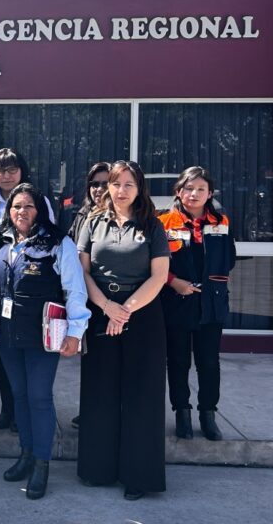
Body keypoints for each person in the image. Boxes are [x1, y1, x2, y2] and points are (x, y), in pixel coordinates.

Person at [0, 184, 89, 499]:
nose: (21, 212)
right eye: (16, 206)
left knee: (39, 397)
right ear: (8, 211)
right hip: (6, 333)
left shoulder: (58, 243)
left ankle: (41, 463)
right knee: (20, 396)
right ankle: (25, 454)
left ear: (40, 211)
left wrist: (76, 331)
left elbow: (74, 289)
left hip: (42, 335)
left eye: (28, 206)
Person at [76, 160, 169, 501]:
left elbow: (159, 276)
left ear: (139, 188)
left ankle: (137, 475)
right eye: (116, 184)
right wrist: (107, 307)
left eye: (129, 184)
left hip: (142, 314)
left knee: (141, 396)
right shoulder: (92, 221)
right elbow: (82, 272)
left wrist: (125, 311)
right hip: (101, 311)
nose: (121, 190)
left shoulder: (152, 225)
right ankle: (97, 469)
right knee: (100, 393)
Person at [158, 167, 236, 441]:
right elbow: (154, 264)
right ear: (179, 191)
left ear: (210, 193)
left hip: (211, 303)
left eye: (201, 189)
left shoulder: (221, 222)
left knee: (209, 362)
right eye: (189, 188)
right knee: (178, 361)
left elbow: (228, 258)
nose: (194, 194)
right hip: (177, 300)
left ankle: (208, 414)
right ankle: (182, 412)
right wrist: (173, 281)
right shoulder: (164, 222)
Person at [0, 148, 31, 433]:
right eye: (0, 170)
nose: (6, 176)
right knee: (2, 354)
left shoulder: (36, 200)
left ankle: (24, 411)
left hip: (27, 287)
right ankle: (7, 408)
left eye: (12, 169)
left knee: (25, 354)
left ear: (22, 171)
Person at [67, 161, 110, 429]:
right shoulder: (82, 215)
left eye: (105, 183)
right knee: (91, 359)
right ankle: (91, 411)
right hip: (86, 298)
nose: (99, 189)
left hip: (113, 299)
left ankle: (108, 412)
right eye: (94, 184)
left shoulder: (123, 217)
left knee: (110, 361)